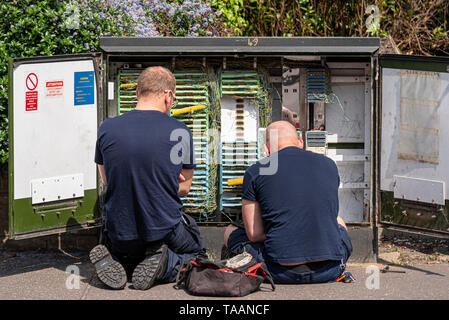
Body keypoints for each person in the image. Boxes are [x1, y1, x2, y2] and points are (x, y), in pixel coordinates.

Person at [90, 66, 207, 290]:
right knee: (196, 253)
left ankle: (119, 263)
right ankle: (166, 265)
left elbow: (107, 181)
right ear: (168, 96)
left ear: (137, 93)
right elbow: (184, 188)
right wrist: (165, 177)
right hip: (163, 227)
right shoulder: (180, 131)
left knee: (128, 249)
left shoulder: (107, 128)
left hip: (119, 232)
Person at [223, 120, 353, 284]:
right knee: (339, 221)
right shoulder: (329, 165)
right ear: (300, 142)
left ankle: (249, 267)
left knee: (231, 231)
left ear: (267, 149)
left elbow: (254, 234)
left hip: (278, 272)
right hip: (329, 270)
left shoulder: (256, 171)